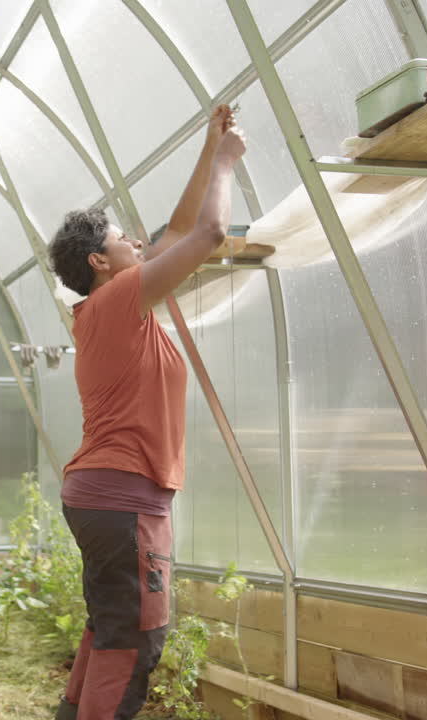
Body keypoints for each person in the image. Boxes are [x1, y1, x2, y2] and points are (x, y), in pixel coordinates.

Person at [48, 104, 247, 720]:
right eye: (121, 238)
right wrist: (227, 162)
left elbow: (179, 229)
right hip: (123, 497)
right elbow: (207, 235)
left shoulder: (118, 312)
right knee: (135, 639)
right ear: (99, 264)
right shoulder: (118, 304)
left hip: (106, 493)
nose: (138, 241)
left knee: (112, 629)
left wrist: (207, 146)